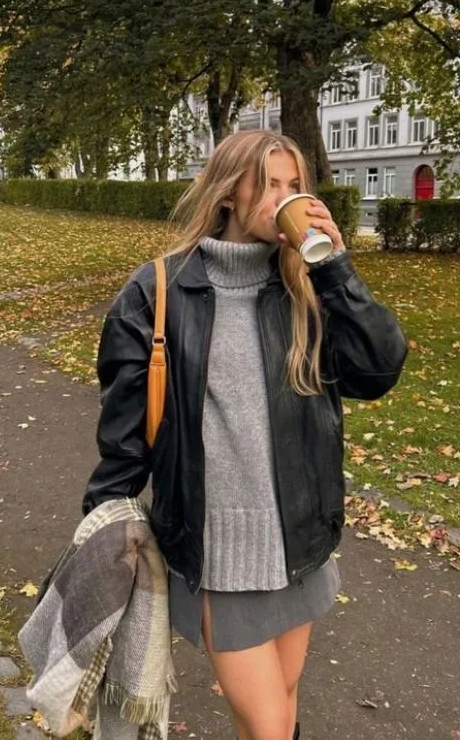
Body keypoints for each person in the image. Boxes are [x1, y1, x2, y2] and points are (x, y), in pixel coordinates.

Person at [82, 130, 407, 740]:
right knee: (269, 724)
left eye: (295, 186)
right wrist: (103, 527)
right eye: (270, 184)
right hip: (216, 551)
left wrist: (334, 267)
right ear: (231, 191)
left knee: (276, 703)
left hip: (299, 542)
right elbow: (123, 433)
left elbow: (378, 370)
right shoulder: (157, 292)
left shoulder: (306, 290)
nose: (286, 198)